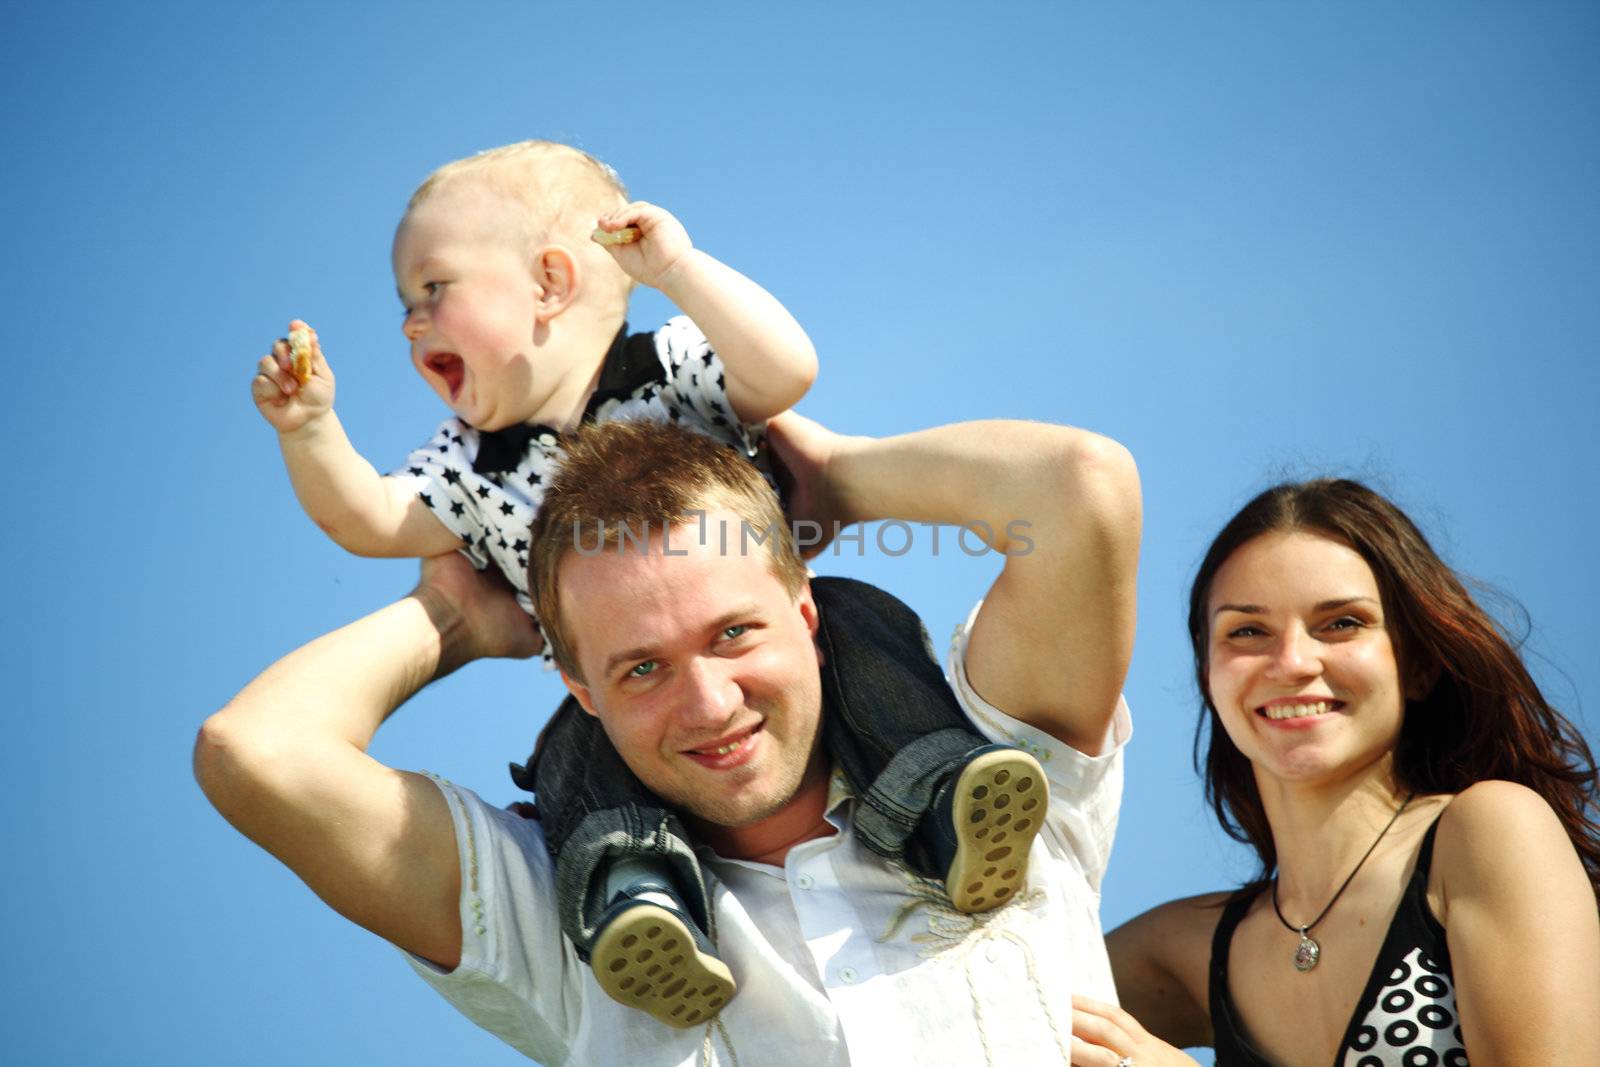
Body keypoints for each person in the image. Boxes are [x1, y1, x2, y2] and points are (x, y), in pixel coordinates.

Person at [247, 139, 1045, 1023]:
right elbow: (368, 520)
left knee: (864, 627)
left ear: (551, 281)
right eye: (405, 305)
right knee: (574, 761)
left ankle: (946, 804)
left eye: (433, 290)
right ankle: (638, 905)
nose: (409, 324)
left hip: (784, 631)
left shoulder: (666, 368)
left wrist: (679, 268)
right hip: (614, 692)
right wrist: (310, 430)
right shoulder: (467, 467)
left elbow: (785, 370)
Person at [195, 411, 1141, 1064]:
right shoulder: (562, 922)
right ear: (581, 690)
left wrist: (840, 479)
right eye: (640, 667)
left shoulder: (999, 771)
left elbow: (1080, 487)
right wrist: (448, 613)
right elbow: (257, 754)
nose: (707, 701)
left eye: (734, 633)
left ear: (806, 609)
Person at [1075, 479, 1600, 1066]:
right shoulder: (1185, 950)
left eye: (1342, 623)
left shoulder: (1490, 832)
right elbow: (975, 997)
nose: (1293, 662)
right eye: (1247, 631)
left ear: (1419, 663)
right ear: (1209, 676)